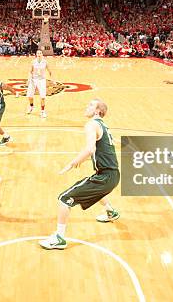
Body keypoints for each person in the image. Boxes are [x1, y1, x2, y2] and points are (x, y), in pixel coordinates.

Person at [39, 99, 120, 250]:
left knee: (64, 199)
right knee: (95, 189)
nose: (86, 106)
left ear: (97, 111)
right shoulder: (104, 125)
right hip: (112, 175)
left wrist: (73, 163)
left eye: (90, 105)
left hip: (106, 176)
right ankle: (111, 211)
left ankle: (59, 237)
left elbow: (90, 149)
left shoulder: (91, 124)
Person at [26, 50, 53, 118]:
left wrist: (52, 80)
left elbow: (50, 71)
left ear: (42, 54)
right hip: (33, 79)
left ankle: (42, 111)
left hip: (41, 80)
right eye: (38, 53)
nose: (39, 54)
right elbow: (30, 71)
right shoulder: (33, 62)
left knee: (43, 97)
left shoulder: (45, 62)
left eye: (40, 53)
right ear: (36, 54)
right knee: (30, 96)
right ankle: (31, 106)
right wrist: (29, 79)